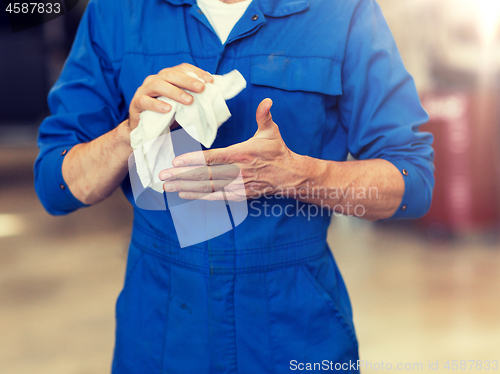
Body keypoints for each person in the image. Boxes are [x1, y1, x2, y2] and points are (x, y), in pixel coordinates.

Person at [34, 0, 434, 372]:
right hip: (161, 326)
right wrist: (132, 132)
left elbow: (411, 183)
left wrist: (296, 175)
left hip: (296, 325)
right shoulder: (119, 12)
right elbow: (58, 184)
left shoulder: (342, 12)